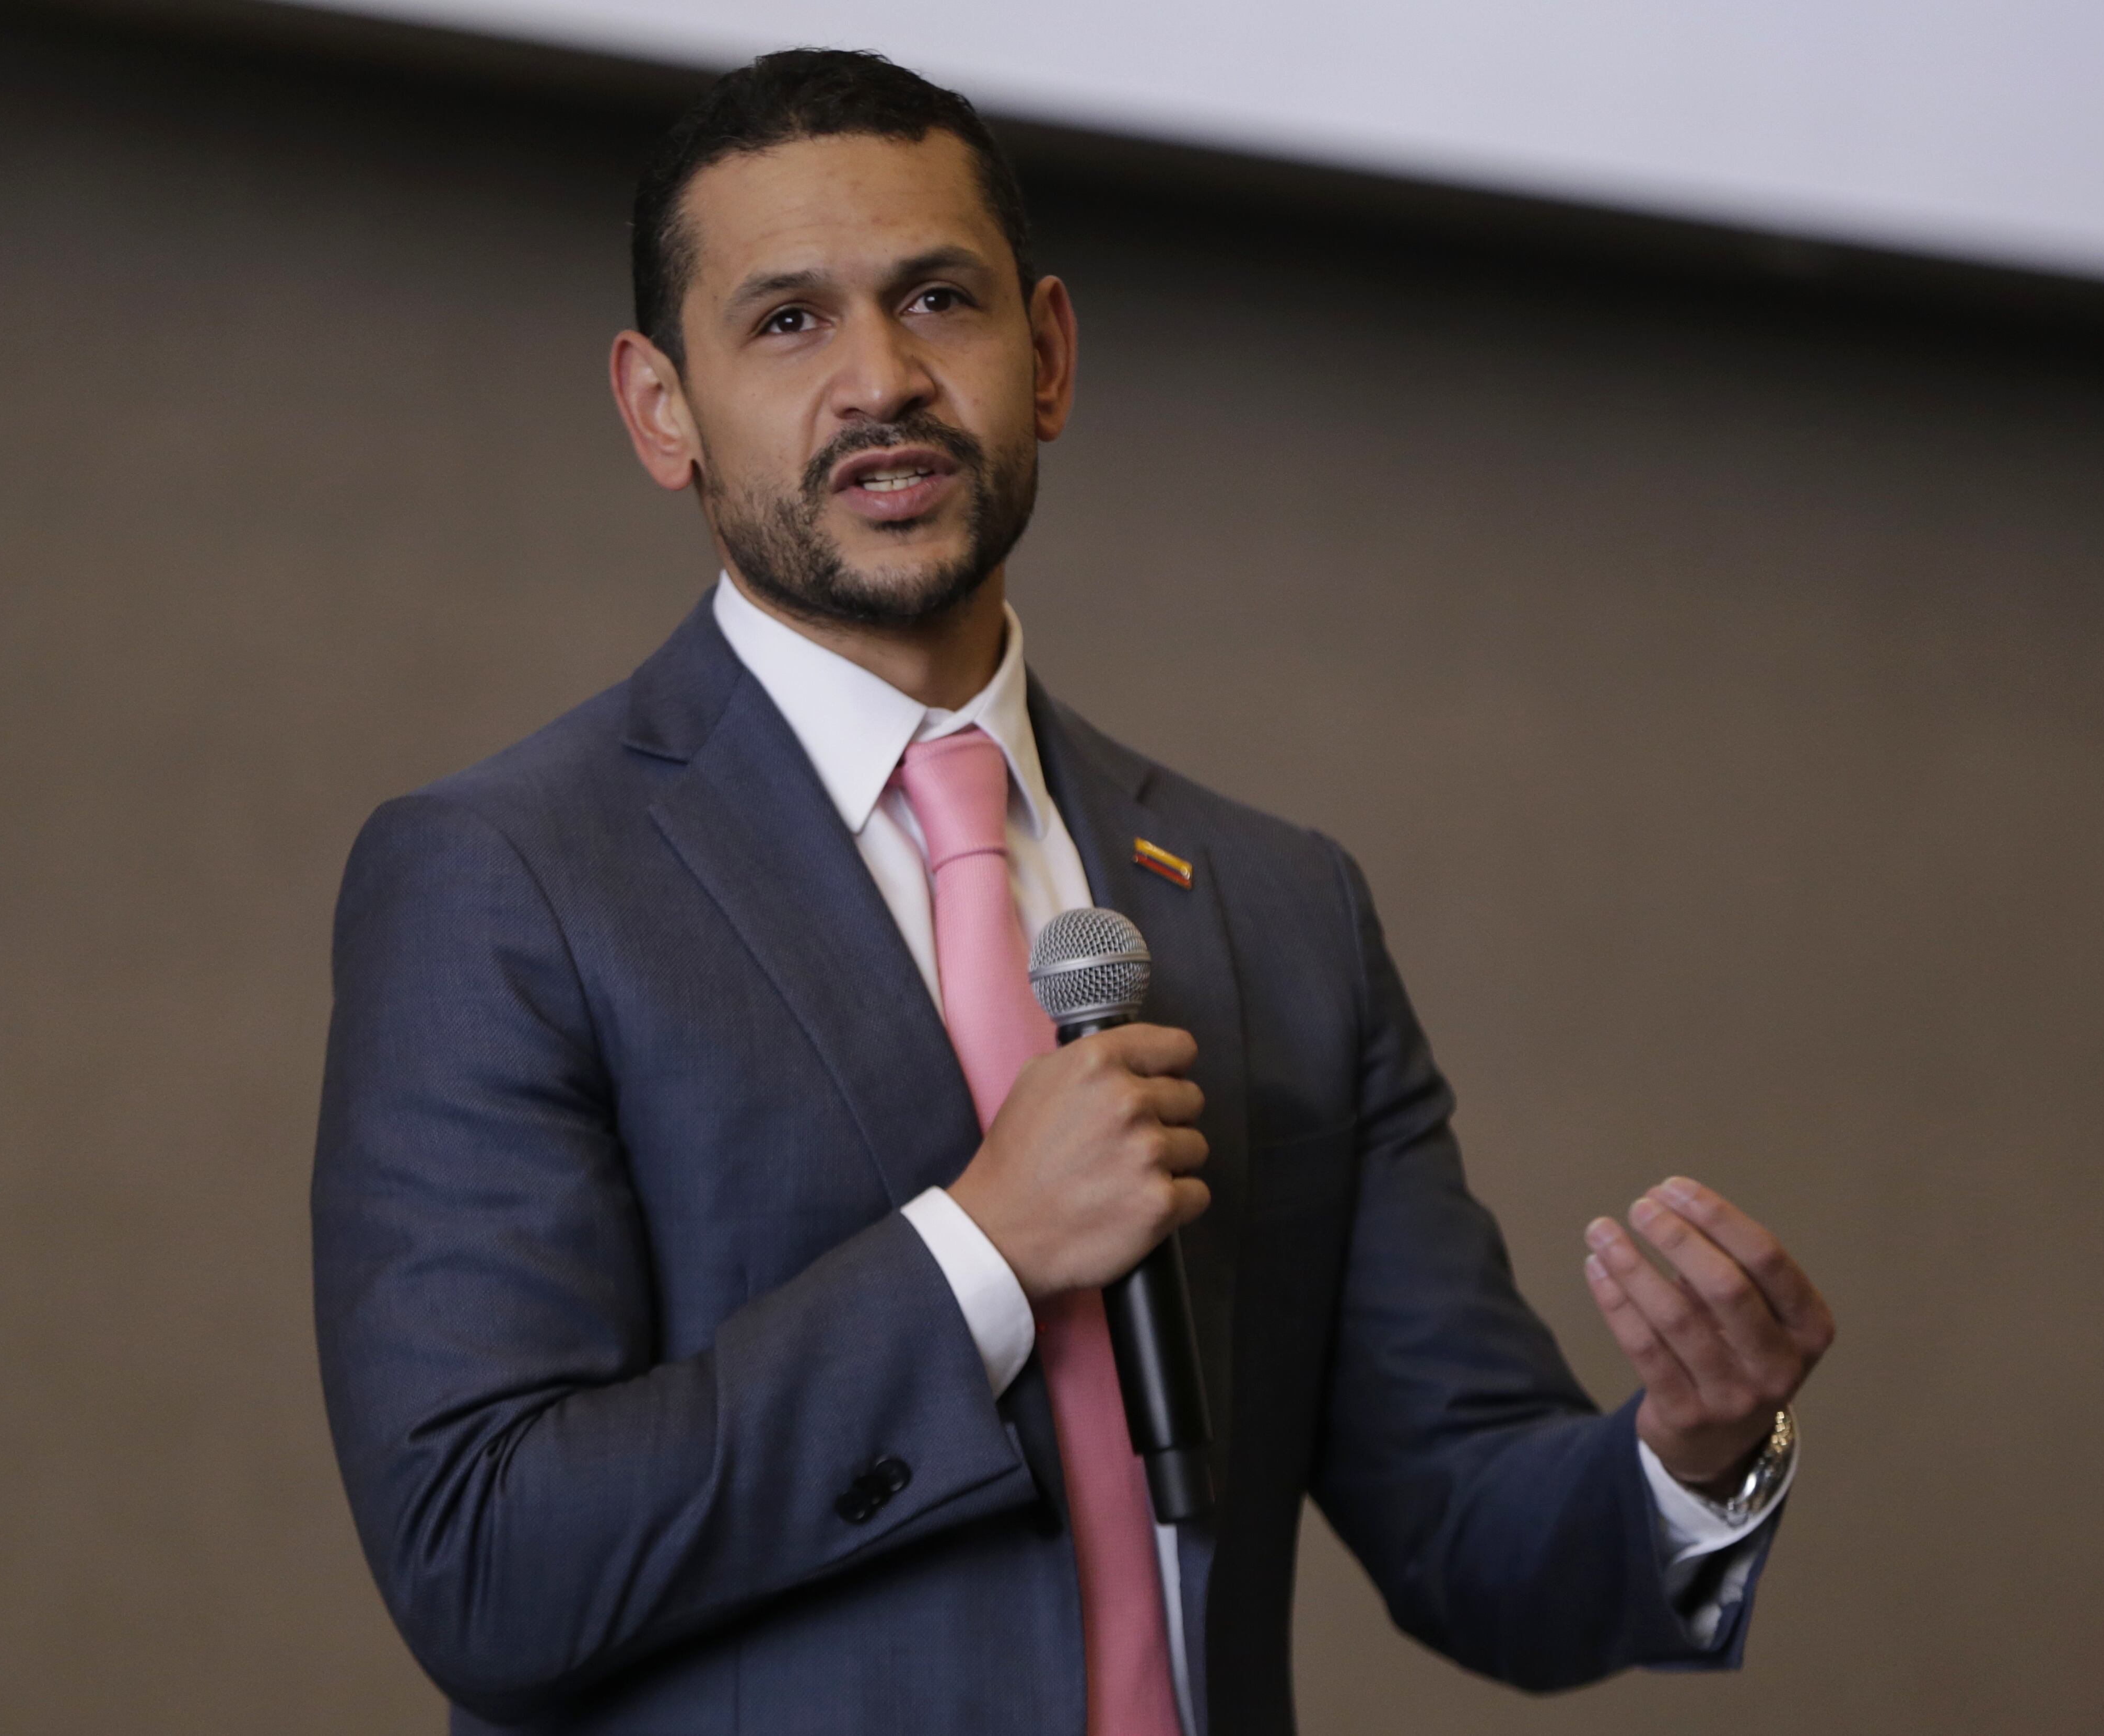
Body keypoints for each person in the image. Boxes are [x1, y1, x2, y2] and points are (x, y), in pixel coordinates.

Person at [312, 48, 1836, 1736]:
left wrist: (1691, 1453)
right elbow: (486, 1561)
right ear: (659, 408)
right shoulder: (508, 875)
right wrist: (980, 1251)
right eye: (788, 323)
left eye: (936, 300)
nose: (880, 380)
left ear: (1043, 356)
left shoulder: (1274, 907)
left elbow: (1472, 1530)